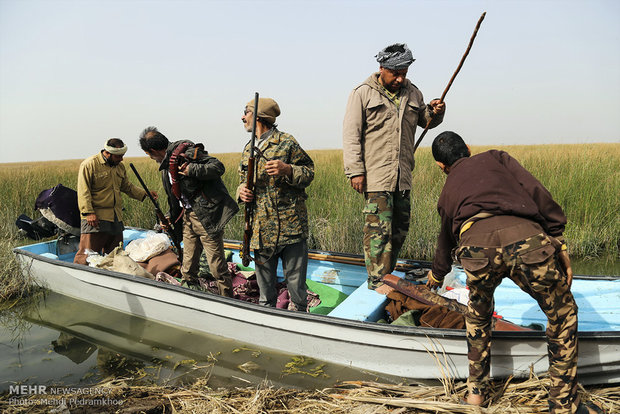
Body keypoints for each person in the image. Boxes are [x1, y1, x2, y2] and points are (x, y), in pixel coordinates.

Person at [425, 131, 601, 414]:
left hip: (477, 251)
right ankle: (563, 404)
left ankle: (476, 397)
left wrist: (436, 274)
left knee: (478, 317)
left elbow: (444, 242)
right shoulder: (496, 157)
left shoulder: (447, 192)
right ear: (468, 148)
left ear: (441, 166)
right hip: (527, 243)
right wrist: (558, 239)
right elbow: (537, 191)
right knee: (563, 313)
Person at [343, 43, 446, 290]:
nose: (400, 78)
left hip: (403, 177)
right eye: (395, 73)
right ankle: (377, 283)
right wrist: (355, 171)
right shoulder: (362, 93)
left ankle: (387, 277)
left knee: (399, 230)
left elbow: (426, 122)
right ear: (382, 68)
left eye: (404, 73)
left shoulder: (413, 93)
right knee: (378, 235)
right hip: (376, 177)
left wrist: (435, 111)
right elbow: (351, 134)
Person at [139, 127, 238, 297]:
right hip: (188, 217)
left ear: (153, 151)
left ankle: (228, 302)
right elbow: (176, 198)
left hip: (207, 217)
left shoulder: (187, 153)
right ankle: (188, 295)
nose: (150, 158)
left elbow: (217, 167)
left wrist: (192, 170)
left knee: (217, 267)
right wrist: (170, 217)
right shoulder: (166, 166)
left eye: (149, 154)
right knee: (188, 264)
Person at [237, 97, 314, 311]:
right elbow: (242, 181)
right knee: (265, 292)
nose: (242, 117)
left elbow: (309, 172)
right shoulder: (247, 149)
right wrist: (240, 191)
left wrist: (288, 169)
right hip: (260, 229)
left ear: (259, 116)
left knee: (297, 287)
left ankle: (300, 317)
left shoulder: (287, 142)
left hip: (291, 227)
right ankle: (267, 319)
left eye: (247, 112)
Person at [75, 139, 155, 265]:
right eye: (118, 156)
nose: (121, 159)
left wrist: (145, 193)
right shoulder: (89, 164)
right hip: (95, 217)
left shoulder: (119, 167)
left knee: (115, 255)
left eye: (122, 156)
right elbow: (83, 191)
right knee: (87, 254)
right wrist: (88, 213)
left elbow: (127, 187)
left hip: (115, 217)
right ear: (107, 153)